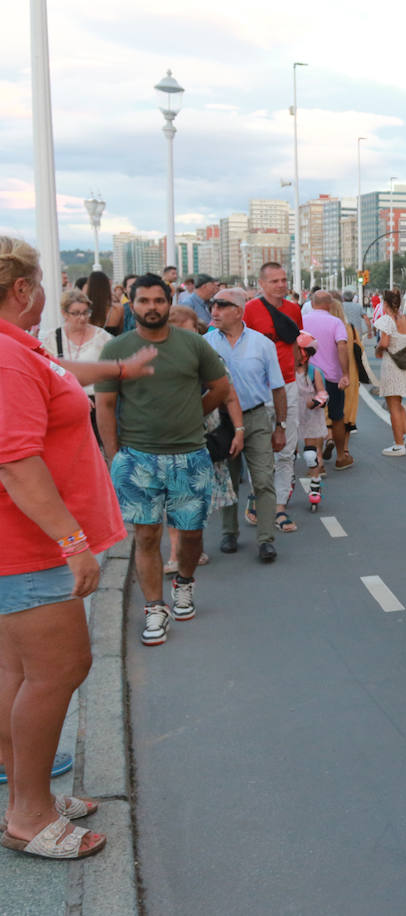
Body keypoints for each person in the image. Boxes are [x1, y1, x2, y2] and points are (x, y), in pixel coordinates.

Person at [0, 238, 153, 860]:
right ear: (21, 289)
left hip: (21, 549)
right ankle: (30, 815)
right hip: (31, 549)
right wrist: (74, 543)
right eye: (43, 283)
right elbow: (15, 461)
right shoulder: (8, 359)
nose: (49, 294)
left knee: (16, 671)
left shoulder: (19, 350)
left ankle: (24, 788)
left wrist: (119, 369)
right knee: (60, 669)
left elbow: (62, 377)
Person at [97, 275, 230, 645]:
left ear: (169, 302)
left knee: (191, 535)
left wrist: (192, 415)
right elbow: (104, 405)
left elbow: (220, 388)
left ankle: (184, 583)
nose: (151, 307)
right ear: (132, 303)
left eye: (158, 300)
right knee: (146, 534)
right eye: (144, 301)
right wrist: (114, 455)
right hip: (137, 458)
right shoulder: (116, 349)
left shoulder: (193, 345)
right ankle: (155, 609)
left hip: (190, 455)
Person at [204, 288, 287, 563]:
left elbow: (277, 388)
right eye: (212, 305)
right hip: (221, 421)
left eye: (221, 305)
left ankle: (266, 539)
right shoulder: (205, 343)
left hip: (256, 417)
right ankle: (229, 532)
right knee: (228, 478)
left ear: (238, 311)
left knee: (263, 479)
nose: (214, 311)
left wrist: (281, 426)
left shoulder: (262, 344)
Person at [164, 305, 238, 573]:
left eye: (190, 331)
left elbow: (228, 393)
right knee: (173, 494)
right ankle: (175, 554)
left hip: (201, 435)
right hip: (167, 436)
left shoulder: (208, 356)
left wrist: (239, 430)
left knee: (194, 496)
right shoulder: (154, 358)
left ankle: (193, 546)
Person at [243, 263, 303, 533]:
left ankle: (279, 508)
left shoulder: (294, 310)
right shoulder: (250, 310)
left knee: (287, 449)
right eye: (275, 281)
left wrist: (301, 369)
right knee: (259, 448)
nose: (281, 285)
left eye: (284, 280)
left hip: (288, 384)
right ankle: (258, 497)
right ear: (262, 284)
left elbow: (297, 344)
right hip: (257, 387)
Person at [303, 291, 350, 472]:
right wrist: (345, 373)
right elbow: (342, 346)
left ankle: (318, 461)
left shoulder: (303, 320)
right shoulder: (336, 322)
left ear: (312, 303)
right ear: (330, 304)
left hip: (310, 376)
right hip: (332, 377)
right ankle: (340, 457)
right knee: (337, 417)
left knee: (313, 418)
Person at [41, 292, 113, 394]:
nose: (82, 318)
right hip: (67, 397)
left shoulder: (102, 337)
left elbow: (110, 371)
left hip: (96, 397)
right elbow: (48, 371)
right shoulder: (54, 339)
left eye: (85, 312)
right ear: (64, 313)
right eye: (76, 313)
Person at [373, 290, 406, 456]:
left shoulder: (387, 321)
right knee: (398, 403)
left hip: (392, 367)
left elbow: (384, 342)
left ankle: (399, 445)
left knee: (393, 406)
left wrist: (377, 349)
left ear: (386, 305)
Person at [322, 292, 362, 466]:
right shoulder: (349, 329)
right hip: (348, 376)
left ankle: (329, 436)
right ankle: (343, 452)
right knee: (345, 414)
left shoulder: (322, 328)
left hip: (325, 375)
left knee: (326, 412)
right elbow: (359, 349)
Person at [293, 333, 329, 510]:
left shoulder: (314, 372)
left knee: (310, 454)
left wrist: (315, 401)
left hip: (310, 416)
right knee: (288, 454)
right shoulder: (286, 370)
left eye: (295, 349)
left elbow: (323, 393)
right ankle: (288, 481)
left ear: (305, 353)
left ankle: (315, 485)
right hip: (292, 414)